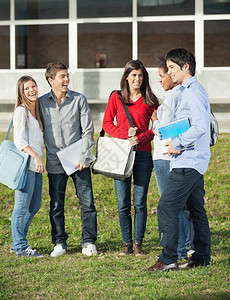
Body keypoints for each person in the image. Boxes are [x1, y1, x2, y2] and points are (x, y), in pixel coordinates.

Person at [148, 48, 211, 271]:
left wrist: (178, 143)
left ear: (186, 67)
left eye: (172, 67)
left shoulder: (193, 92)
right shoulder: (187, 91)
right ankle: (201, 257)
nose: (169, 71)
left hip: (188, 161)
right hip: (189, 160)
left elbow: (201, 126)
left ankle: (168, 259)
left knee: (166, 206)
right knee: (195, 210)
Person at [39, 62, 97, 257]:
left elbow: (88, 130)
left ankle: (88, 241)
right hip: (55, 162)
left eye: (67, 76)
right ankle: (59, 242)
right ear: (51, 80)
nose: (66, 80)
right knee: (56, 204)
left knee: (87, 202)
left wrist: (84, 157)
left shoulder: (79, 100)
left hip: (78, 161)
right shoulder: (41, 103)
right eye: (62, 76)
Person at [102, 59, 159, 256]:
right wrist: (125, 134)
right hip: (121, 153)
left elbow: (157, 128)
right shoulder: (116, 97)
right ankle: (126, 244)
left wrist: (141, 137)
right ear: (126, 76)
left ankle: (138, 245)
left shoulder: (150, 99)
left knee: (140, 202)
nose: (137, 78)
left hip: (143, 155)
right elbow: (107, 124)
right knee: (122, 203)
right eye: (133, 75)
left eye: (140, 75)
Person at [152, 59, 193, 261]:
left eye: (163, 75)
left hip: (164, 156)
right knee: (181, 205)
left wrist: (154, 121)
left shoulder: (173, 96)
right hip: (172, 156)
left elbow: (164, 129)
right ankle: (186, 245)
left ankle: (178, 250)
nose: (160, 80)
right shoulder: (177, 95)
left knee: (169, 205)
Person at [11, 76, 45, 257]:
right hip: (27, 166)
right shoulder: (21, 111)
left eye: (34, 86)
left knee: (34, 206)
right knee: (21, 207)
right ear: (21, 93)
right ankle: (20, 247)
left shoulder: (36, 111)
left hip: (36, 167)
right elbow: (20, 141)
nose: (32, 90)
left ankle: (17, 241)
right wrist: (36, 156)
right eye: (27, 88)